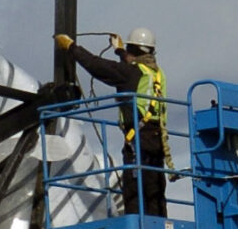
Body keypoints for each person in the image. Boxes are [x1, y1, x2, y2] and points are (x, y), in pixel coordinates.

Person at [55, 29, 172, 215]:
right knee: (155, 188)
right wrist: (119, 51)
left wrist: (71, 47)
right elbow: (131, 66)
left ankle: (137, 228)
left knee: (135, 189)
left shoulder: (131, 73)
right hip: (157, 139)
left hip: (139, 140)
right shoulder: (156, 74)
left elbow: (97, 65)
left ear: (133, 49)